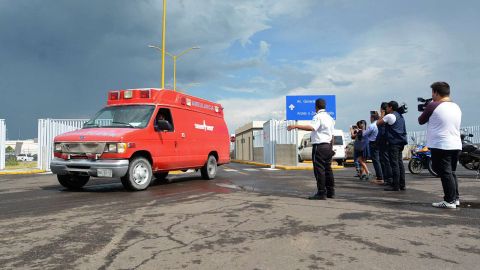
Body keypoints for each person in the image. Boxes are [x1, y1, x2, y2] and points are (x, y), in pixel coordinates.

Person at [418, 82, 462, 209]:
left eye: (432, 93)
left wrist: (427, 107)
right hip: (455, 144)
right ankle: (455, 198)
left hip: (441, 144)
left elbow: (421, 120)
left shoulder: (433, 105)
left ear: (436, 93)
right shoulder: (456, 106)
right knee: (451, 172)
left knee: (444, 172)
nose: (432, 96)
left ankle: (449, 201)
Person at [287, 98, 335, 200]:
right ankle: (331, 192)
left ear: (316, 107)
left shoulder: (317, 117)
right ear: (325, 106)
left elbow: (312, 128)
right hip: (328, 146)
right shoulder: (330, 118)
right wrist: (331, 147)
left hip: (319, 146)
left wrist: (295, 126)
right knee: (328, 169)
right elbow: (332, 135)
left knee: (319, 170)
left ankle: (321, 193)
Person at [376, 101, 408, 191]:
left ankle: (396, 186)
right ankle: (402, 184)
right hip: (401, 142)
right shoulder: (400, 116)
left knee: (394, 164)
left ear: (390, 107)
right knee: (399, 163)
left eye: (387, 107)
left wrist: (382, 114)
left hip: (393, 143)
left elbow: (378, 123)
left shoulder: (390, 116)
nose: (386, 109)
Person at [363, 113, 384, 184]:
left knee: (375, 161)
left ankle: (379, 177)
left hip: (373, 143)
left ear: (372, 118)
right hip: (379, 143)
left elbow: (364, 134)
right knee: (379, 160)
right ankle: (381, 175)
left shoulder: (372, 125)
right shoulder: (379, 124)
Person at [377, 102, 393, 186]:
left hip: (384, 141)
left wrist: (381, 115)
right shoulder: (387, 117)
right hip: (383, 141)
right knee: (384, 160)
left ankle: (388, 179)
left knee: (386, 161)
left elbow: (378, 124)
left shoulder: (386, 118)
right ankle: (386, 178)